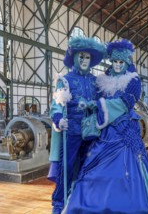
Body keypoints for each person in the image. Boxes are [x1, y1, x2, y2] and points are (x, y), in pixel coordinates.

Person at [64, 39, 148, 214]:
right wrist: (90, 104)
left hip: (124, 132)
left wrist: (99, 106)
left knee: (126, 172)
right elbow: (98, 99)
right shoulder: (102, 81)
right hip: (104, 133)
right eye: (115, 61)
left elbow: (125, 103)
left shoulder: (133, 81)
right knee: (94, 170)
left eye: (121, 62)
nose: (117, 65)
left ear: (126, 62)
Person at [48, 36, 105, 213]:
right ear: (74, 58)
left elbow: (103, 103)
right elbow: (56, 105)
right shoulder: (64, 80)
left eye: (87, 57)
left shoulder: (95, 82)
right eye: (81, 56)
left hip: (92, 133)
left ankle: (83, 200)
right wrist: (59, 120)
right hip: (71, 131)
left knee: (89, 166)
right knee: (67, 167)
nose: (84, 60)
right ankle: (59, 203)